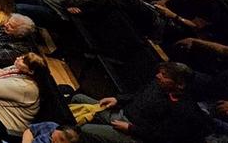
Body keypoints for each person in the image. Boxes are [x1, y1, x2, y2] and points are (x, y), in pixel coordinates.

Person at [69, 61, 209, 143]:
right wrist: (117, 99)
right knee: (78, 98)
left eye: (164, 75)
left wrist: (131, 129)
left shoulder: (183, 110)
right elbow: (136, 95)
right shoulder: (157, 84)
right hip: (120, 113)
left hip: (133, 133)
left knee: (85, 131)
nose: (158, 76)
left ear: (180, 84)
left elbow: (161, 136)